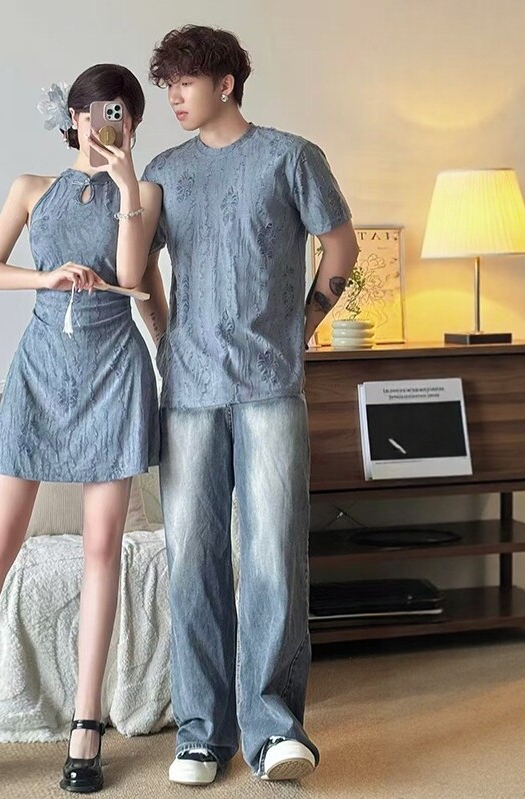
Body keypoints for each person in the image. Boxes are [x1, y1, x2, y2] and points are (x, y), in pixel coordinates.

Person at [0, 63, 162, 797]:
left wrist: (125, 186)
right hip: (40, 368)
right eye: (99, 111)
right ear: (74, 117)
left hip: (114, 368)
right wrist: (43, 278)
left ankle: (87, 724)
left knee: (102, 549)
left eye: (123, 113)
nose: (110, 123)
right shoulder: (30, 187)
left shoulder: (144, 194)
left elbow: (131, 277)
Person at [134, 25, 361, 785]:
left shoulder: (291, 157)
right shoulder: (164, 170)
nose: (173, 96)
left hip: (270, 388)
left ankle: (275, 732)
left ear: (225, 83)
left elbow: (340, 248)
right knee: (193, 561)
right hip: (189, 394)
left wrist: (302, 327)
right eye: (167, 84)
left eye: (184, 82)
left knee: (272, 558)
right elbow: (139, 269)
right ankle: (201, 734)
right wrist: (165, 336)